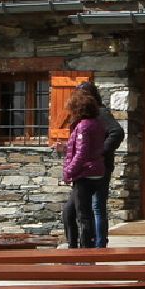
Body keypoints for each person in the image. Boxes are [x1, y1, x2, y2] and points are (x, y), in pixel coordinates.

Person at [70, 82, 123, 247]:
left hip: (101, 167)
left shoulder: (101, 113)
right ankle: (89, 243)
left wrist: (100, 152)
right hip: (88, 169)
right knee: (83, 208)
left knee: (97, 206)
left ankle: (100, 245)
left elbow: (117, 132)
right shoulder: (85, 117)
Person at [56, 88, 108, 248]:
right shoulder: (96, 124)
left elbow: (82, 154)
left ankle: (85, 253)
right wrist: (66, 148)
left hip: (85, 175)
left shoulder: (84, 126)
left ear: (77, 109)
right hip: (95, 172)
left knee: (83, 216)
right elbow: (87, 148)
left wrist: (68, 172)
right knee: (69, 212)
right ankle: (73, 248)